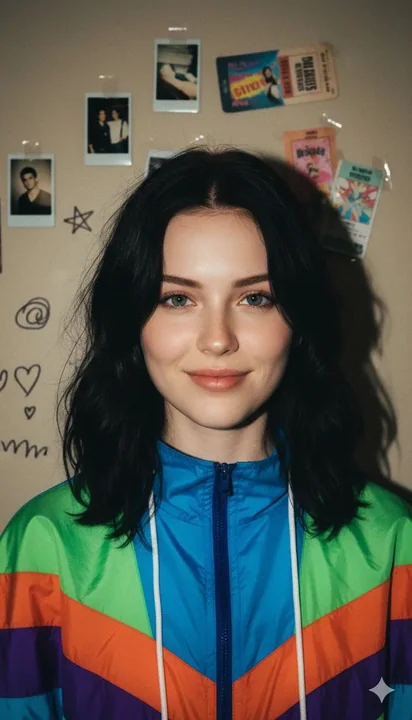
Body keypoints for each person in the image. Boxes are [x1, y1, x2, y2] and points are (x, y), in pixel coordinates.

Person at [0, 148, 411, 719]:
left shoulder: (394, 545)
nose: (218, 339)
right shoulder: (40, 546)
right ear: (132, 321)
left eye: (255, 297)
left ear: (298, 321)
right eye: (177, 298)